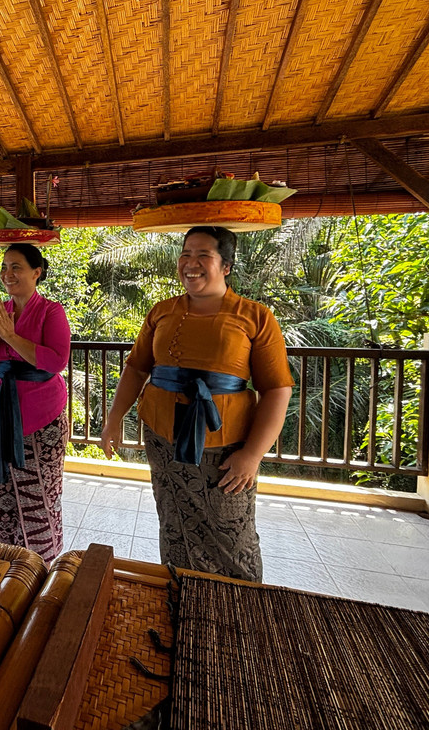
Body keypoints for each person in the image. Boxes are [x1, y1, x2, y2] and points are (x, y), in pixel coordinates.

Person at [99, 226, 293, 581]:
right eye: (186, 254)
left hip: (225, 448)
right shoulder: (161, 312)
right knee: (174, 524)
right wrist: (114, 420)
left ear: (227, 265)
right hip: (162, 439)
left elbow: (277, 390)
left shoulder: (255, 317)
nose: (191, 263)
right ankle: (181, 599)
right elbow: (137, 368)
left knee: (230, 534)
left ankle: (237, 608)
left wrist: (252, 455)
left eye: (204, 255)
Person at [0, 243, 71, 564]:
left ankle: (43, 566)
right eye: (4, 267)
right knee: (5, 491)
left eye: (16, 267)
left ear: (36, 272)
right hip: (1, 411)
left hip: (43, 417)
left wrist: (11, 337)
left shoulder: (52, 311)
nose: (7, 274)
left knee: (40, 494)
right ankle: (11, 563)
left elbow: (56, 361)